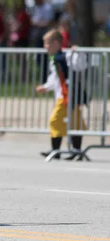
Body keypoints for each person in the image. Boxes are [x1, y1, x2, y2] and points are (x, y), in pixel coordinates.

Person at [36, 29, 86, 160]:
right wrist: (46, 87)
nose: (45, 47)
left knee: (66, 122)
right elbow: (55, 77)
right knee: (65, 122)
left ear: (56, 43)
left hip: (70, 96)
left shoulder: (67, 56)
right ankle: (56, 150)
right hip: (62, 96)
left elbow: (80, 66)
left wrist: (78, 53)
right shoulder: (54, 59)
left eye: (47, 44)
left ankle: (74, 151)